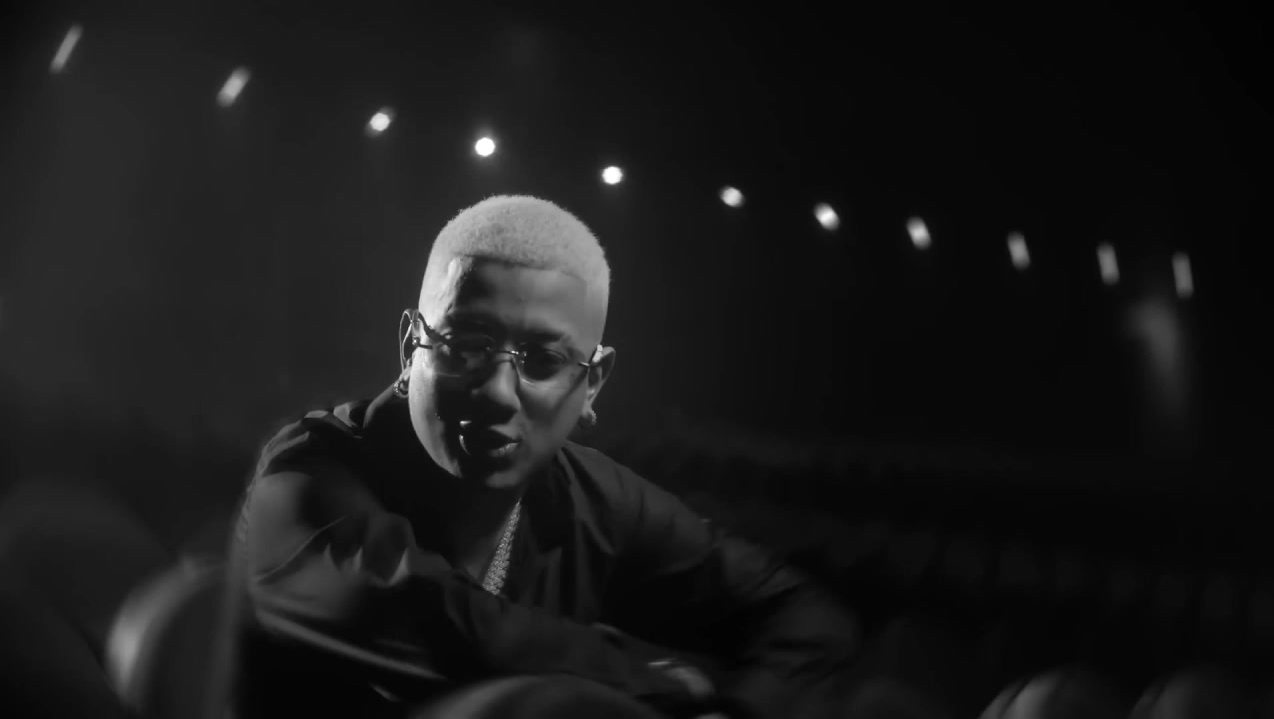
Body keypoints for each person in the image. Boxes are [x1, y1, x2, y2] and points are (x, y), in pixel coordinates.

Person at [220, 195, 860, 719]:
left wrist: (742, 710)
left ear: (593, 383)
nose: (498, 392)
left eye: (542, 360)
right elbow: (440, 625)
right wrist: (672, 683)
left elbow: (804, 621)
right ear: (412, 346)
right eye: (467, 343)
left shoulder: (596, 500)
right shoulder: (303, 476)